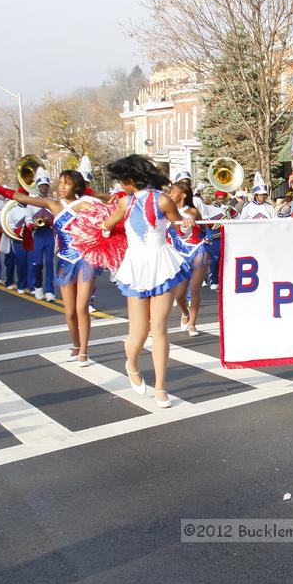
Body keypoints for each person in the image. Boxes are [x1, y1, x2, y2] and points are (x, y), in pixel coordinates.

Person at [101, 155, 193, 409]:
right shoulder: (124, 203)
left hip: (161, 265)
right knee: (138, 332)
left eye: (122, 180)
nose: (120, 184)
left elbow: (179, 228)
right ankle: (131, 362)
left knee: (160, 328)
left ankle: (161, 387)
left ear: (131, 179)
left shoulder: (163, 200)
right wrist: (107, 227)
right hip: (136, 268)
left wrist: (186, 224)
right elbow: (106, 226)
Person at [0, 170, 100, 365]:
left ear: (77, 185)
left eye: (66, 183)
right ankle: (75, 345)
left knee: (82, 308)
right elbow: (23, 198)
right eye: (60, 183)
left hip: (85, 260)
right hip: (65, 261)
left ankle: (84, 350)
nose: (61, 187)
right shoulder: (53, 204)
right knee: (70, 311)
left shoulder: (85, 203)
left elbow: (108, 213)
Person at [168, 181, 210, 337]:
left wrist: (208, 237)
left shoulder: (192, 211)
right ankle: (185, 314)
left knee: (195, 289)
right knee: (179, 295)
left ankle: (192, 323)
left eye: (173, 192)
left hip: (198, 251)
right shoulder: (167, 211)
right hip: (179, 254)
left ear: (183, 195)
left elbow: (206, 229)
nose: (170, 195)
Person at [26, 168, 56, 302]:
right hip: (37, 235)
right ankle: (38, 287)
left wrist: (51, 221)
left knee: (50, 263)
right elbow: (27, 220)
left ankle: (50, 290)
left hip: (49, 234)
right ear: (38, 187)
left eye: (46, 185)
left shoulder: (53, 201)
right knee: (37, 263)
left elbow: (58, 217)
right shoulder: (32, 202)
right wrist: (33, 225)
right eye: (42, 186)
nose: (44, 188)